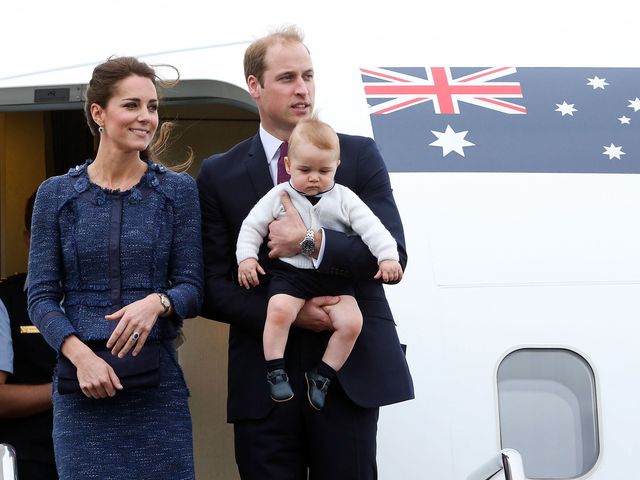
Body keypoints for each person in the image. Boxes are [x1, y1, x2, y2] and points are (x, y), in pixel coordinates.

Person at [197, 26, 414, 479]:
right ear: (254, 86)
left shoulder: (357, 155)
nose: (303, 89)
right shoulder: (221, 173)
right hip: (264, 381)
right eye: (288, 77)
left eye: (309, 76)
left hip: (348, 377)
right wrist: (292, 313)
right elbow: (212, 287)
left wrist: (310, 244)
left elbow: (392, 255)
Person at [27, 56, 203, 480]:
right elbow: (41, 296)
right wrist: (80, 355)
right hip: (80, 387)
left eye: (153, 106)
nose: (146, 117)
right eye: (132, 105)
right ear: (98, 113)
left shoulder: (178, 192)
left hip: (157, 388)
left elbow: (193, 287)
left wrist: (157, 303)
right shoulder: (55, 195)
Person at [236, 118, 403, 411]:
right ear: (288, 165)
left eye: (324, 171)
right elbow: (252, 226)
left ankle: (323, 374)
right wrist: (247, 258)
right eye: (305, 170)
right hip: (291, 275)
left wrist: (388, 256)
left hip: (334, 279)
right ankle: (275, 369)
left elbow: (373, 229)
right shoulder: (279, 195)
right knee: (278, 310)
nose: (314, 178)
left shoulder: (345, 199)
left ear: (337, 165)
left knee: (352, 323)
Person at [0, 192, 58, 480]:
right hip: (31, 461)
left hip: (101, 455)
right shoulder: (6, 300)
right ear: (28, 239)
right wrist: (64, 389)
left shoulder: (108, 299)